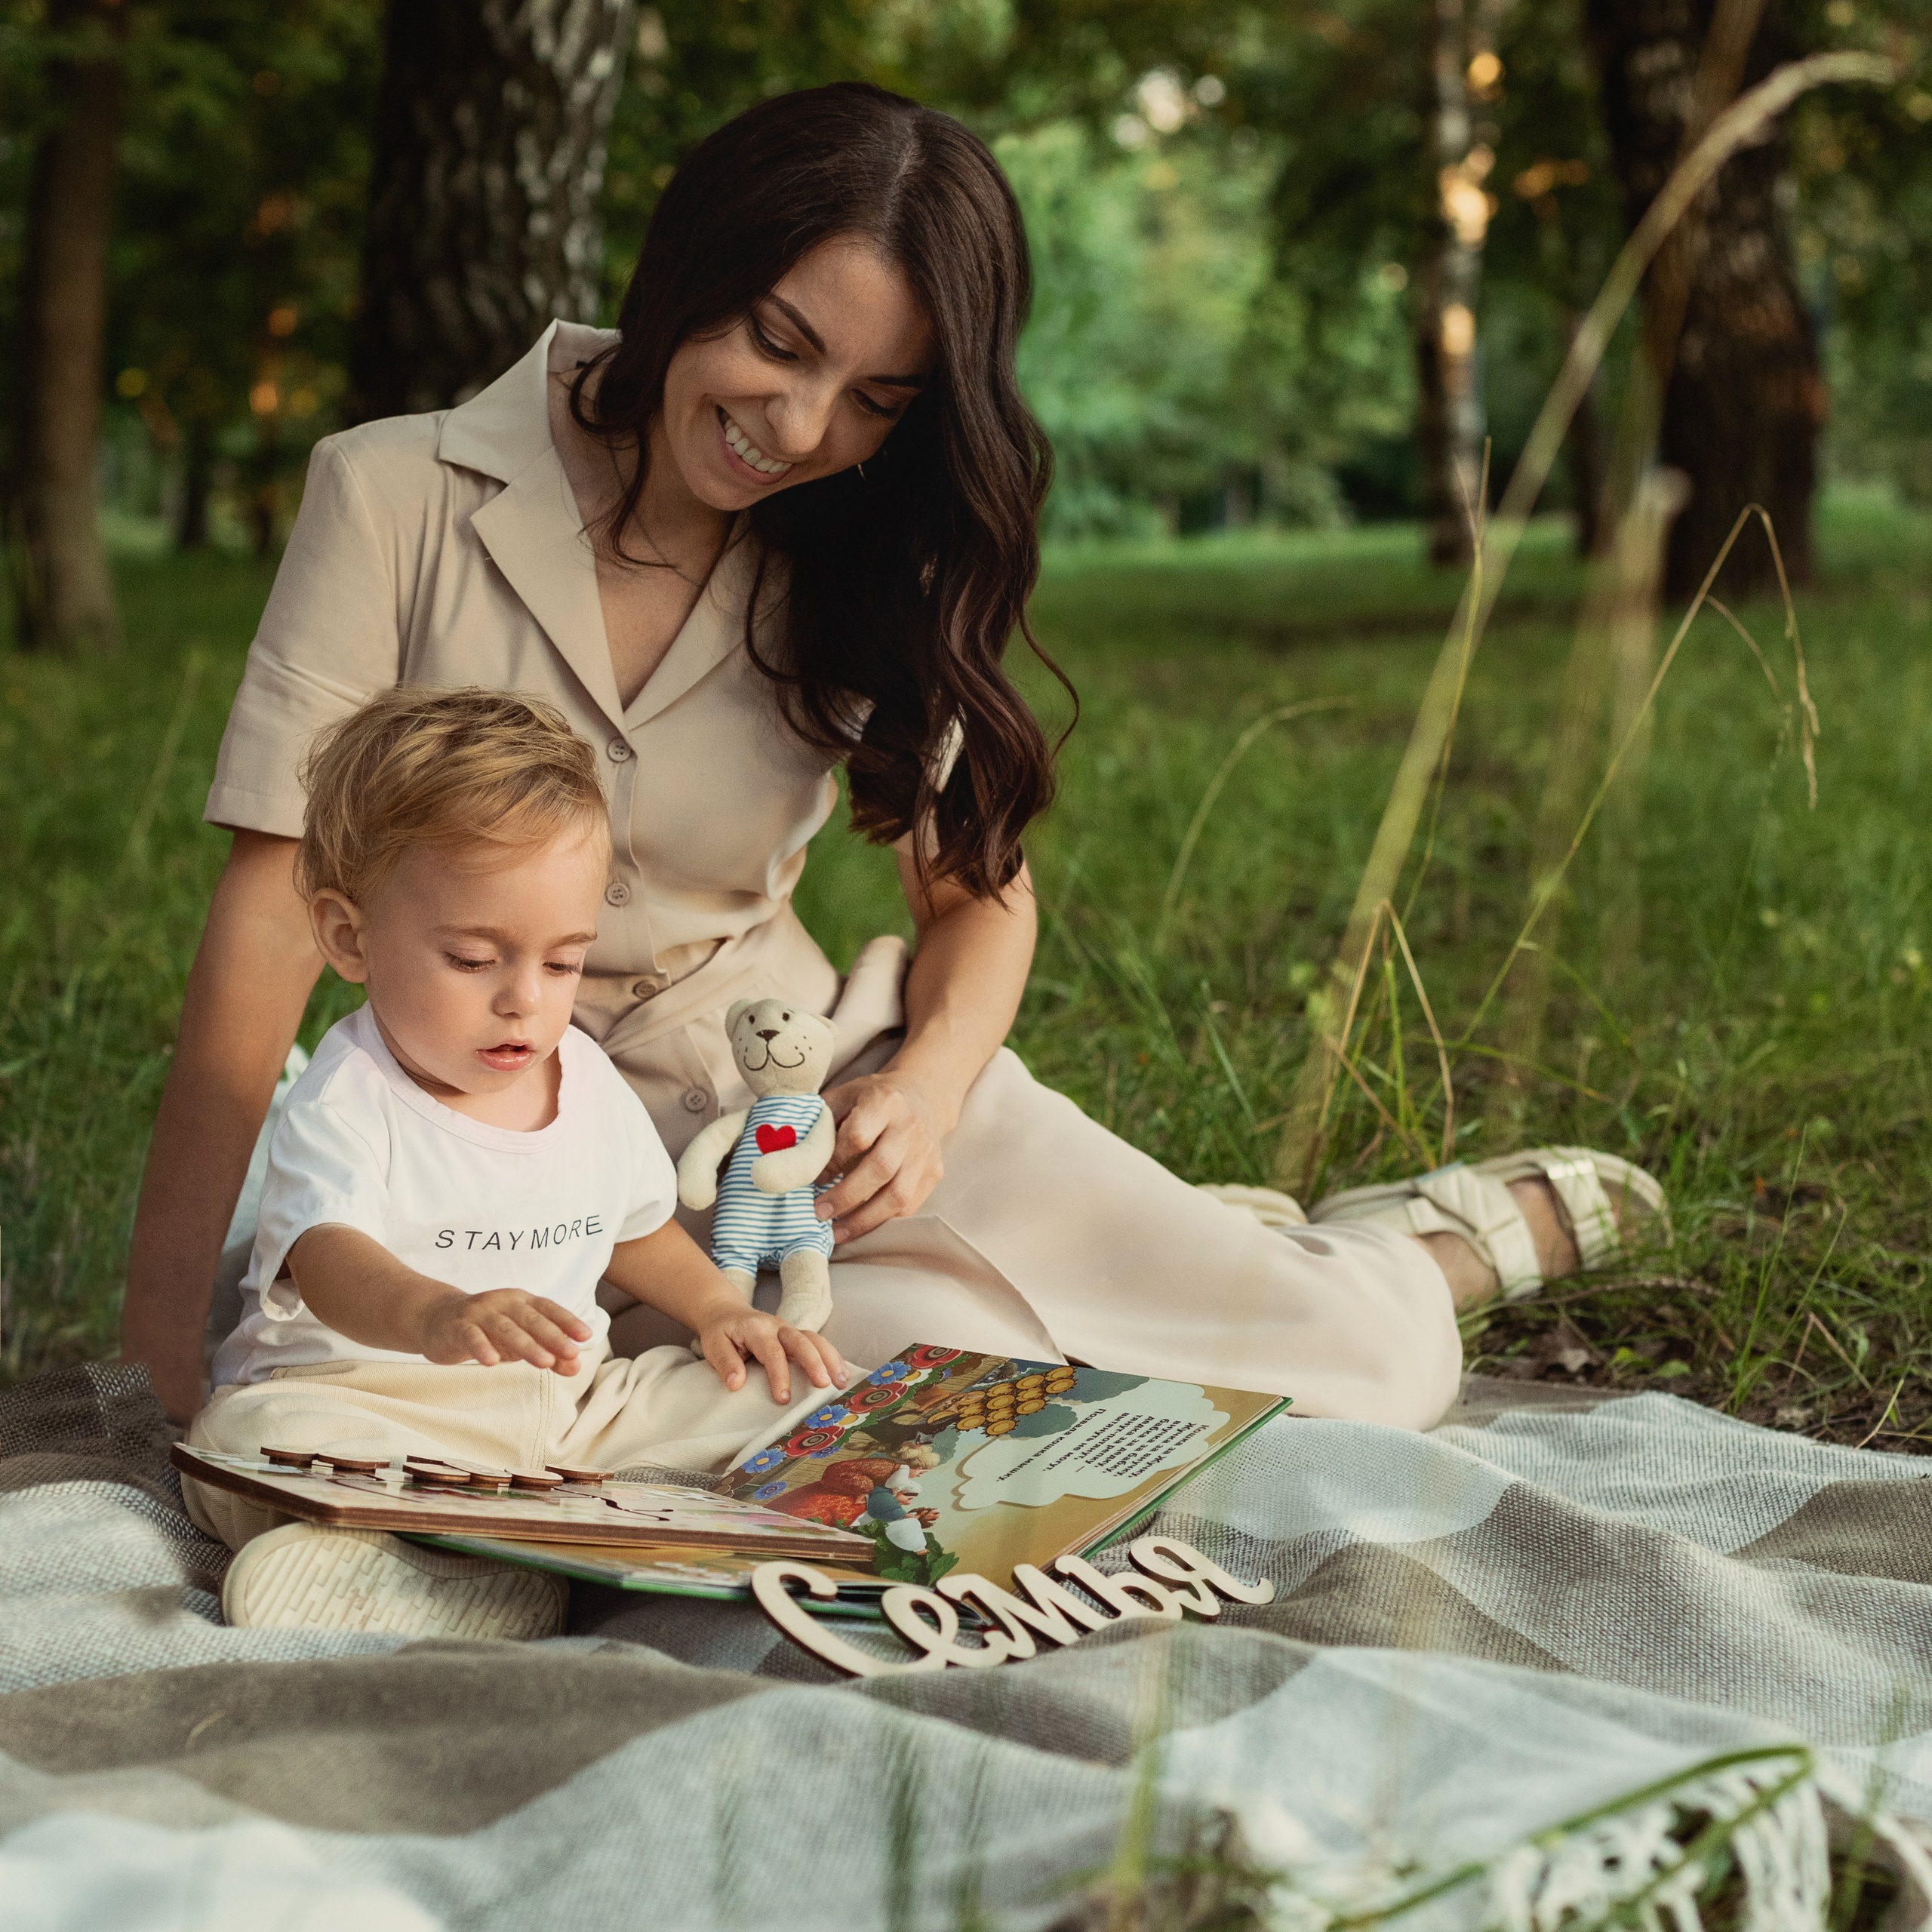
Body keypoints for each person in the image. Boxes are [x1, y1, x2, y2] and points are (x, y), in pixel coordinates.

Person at [122, 82, 1662, 1461]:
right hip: (486, 1151)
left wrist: (920, 1094)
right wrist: (163, 1331)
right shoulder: (391, 490)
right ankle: (1139, 1265)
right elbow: (270, 907)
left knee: (1373, 1369)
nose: (797, 428)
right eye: (778, 344)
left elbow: (977, 901)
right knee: (922, 1391)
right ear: (688, 275)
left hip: (811, 1107)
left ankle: (1401, 1247)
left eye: (875, 399)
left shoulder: (864, 548)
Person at [188, 688, 844, 1637]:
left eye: (562, 962)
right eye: (471, 958)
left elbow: (637, 1227)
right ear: (349, 937)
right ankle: (403, 1567)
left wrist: (721, 1310)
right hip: (373, 1408)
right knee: (247, 1446)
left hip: (562, 1407)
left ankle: (521, 1539)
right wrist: (438, 1314)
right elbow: (328, 1259)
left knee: (774, 1392)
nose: (524, 1003)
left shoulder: (578, 1070)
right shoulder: (348, 1097)